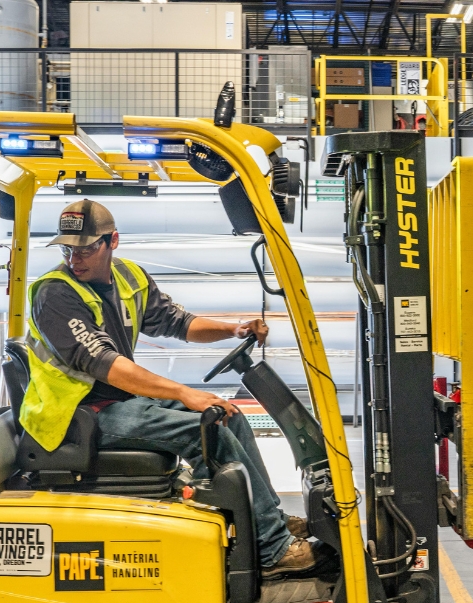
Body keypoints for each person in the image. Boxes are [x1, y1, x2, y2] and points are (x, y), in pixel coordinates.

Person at [20, 199, 325, 577]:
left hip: (116, 402)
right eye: (67, 248)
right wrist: (183, 393)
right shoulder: (55, 294)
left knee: (230, 418)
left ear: (112, 241)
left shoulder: (129, 277)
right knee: (205, 432)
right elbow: (107, 366)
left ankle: (269, 520)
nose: (74, 258)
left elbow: (178, 322)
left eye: (85, 248)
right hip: (77, 416)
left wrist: (233, 329)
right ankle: (272, 548)